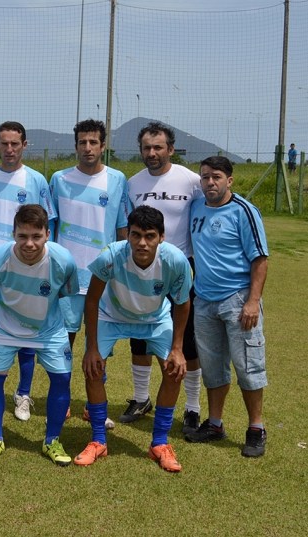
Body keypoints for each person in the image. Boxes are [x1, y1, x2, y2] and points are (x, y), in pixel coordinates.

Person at [75, 205, 191, 472]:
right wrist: (91, 348)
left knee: (173, 371)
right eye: (136, 235)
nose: (142, 243)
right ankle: (99, 440)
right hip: (111, 316)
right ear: (127, 235)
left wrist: (177, 348)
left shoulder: (175, 261)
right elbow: (91, 300)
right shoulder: (110, 256)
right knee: (93, 369)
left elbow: (183, 303)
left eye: (150, 236)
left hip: (155, 319)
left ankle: (159, 443)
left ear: (161, 237)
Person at [0, 204, 77, 467]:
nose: (29, 243)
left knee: (62, 379)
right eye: (22, 236)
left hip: (49, 330)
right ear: (13, 233)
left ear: (47, 234)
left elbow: (66, 291)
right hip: (4, 328)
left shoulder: (63, 260)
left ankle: (52, 440)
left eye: (36, 236)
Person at [0, 121, 57, 423]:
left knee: (26, 332)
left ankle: (23, 394)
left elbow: (48, 225)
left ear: (24, 145)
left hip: (27, 269)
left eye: (15, 144)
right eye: (4, 143)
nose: (9, 149)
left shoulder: (36, 180)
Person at [185, 156, 269, 458]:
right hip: (204, 300)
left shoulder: (243, 211)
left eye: (216, 177)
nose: (210, 182)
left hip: (238, 300)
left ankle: (256, 428)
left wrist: (253, 301)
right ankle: (215, 423)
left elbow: (260, 259)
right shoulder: (196, 208)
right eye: (205, 177)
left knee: (247, 365)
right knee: (212, 366)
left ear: (229, 180)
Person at [49, 118, 130, 428]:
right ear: (76, 146)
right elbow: (51, 227)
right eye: (82, 142)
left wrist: (122, 272)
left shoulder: (117, 179)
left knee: (99, 345)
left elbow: (122, 229)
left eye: (93, 142)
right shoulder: (59, 179)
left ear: (103, 146)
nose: (87, 147)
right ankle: (62, 399)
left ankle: (93, 405)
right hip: (67, 279)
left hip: (102, 279)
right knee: (64, 342)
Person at [125, 122, 203, 433]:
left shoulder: (191, 180)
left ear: (170, 149)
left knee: (188, 340)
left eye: (158, 147)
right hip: (141, 269)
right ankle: (141, 398)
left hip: (180, 268)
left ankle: (193, 407)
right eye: (147, 148)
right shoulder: (133, 183)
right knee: (140, 335)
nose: (152, 153)